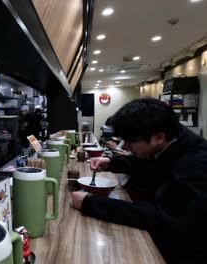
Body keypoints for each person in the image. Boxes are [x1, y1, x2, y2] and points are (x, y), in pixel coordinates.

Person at [70, 97, 207, 262]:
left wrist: (90, 203)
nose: (125, 146)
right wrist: (111, 163)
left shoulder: (195, 166)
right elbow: (148, 162)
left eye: (130, 141)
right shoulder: (173, 140)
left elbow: (159, 218)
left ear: (158, 137)